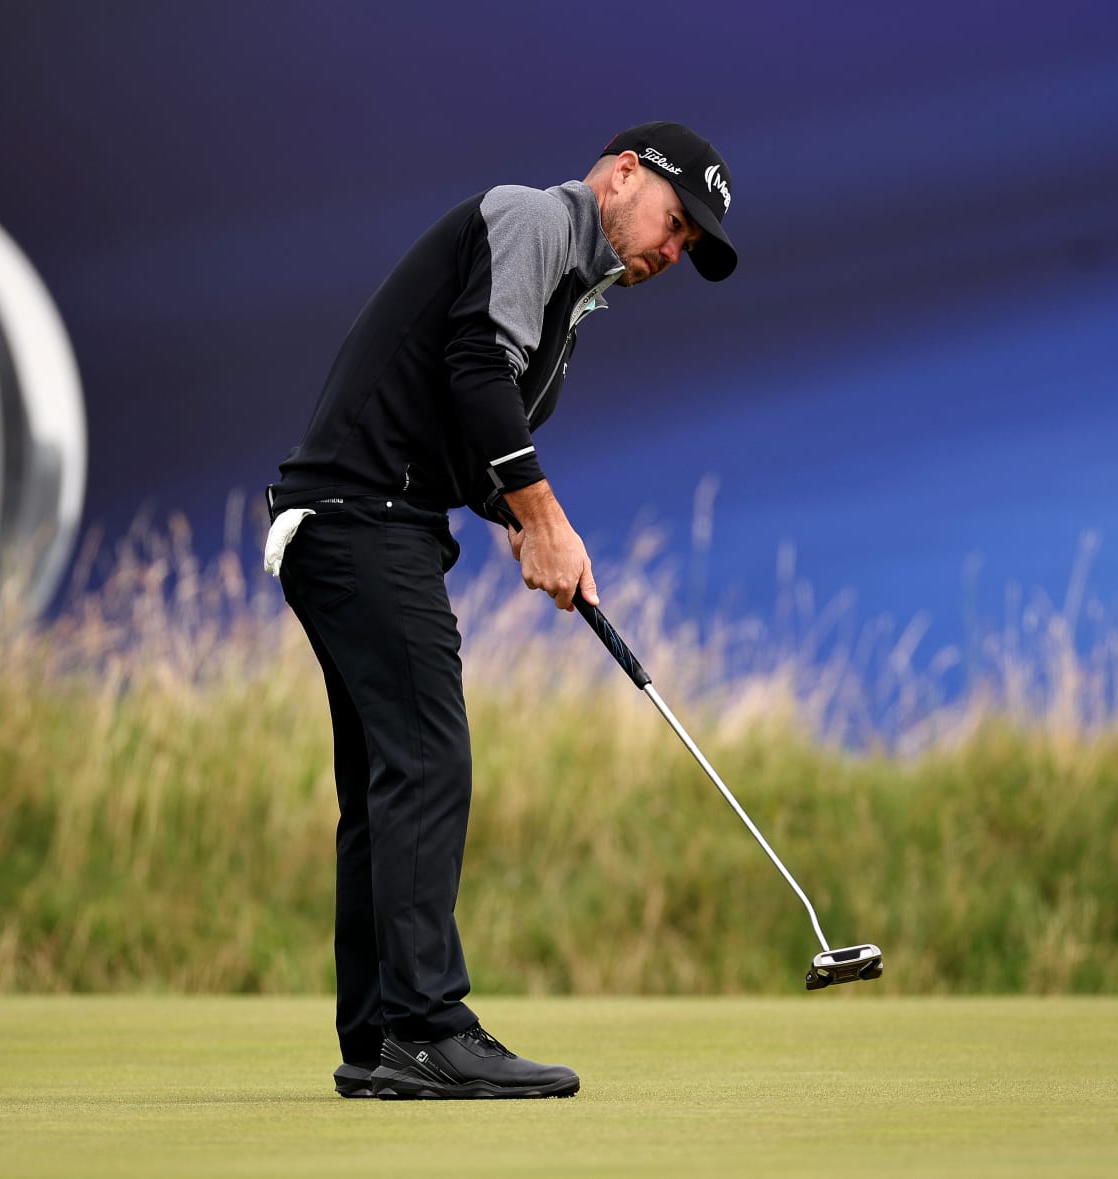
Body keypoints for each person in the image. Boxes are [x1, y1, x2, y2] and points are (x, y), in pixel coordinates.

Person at [263, 123, 738, 1100]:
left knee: (387, 787)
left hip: (358, 520)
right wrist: (544, 517)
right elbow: (478, 369)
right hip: (362, 519)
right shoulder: (530, 219)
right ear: (624, 174)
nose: (673, 248)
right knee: (427, 761)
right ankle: (429, 1029)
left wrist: (519, 520)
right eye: (676, 221)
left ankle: (380, 1038)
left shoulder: (569, 292)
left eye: (690, 244)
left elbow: (455, 420)